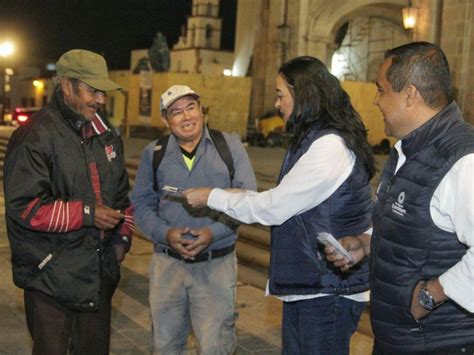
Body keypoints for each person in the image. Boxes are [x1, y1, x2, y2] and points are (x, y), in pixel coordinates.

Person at [185, 56, 376, 354]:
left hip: (326, 290)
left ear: (303, 95)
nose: (276, 103)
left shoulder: (329, 146)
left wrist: (213, 196)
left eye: (280, 94)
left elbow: (274, 206)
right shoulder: (312, 139)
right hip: (311, 285)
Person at [325, 42, 474, 354]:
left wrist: (433, 293)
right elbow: (414, 221)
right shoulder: (409, 149)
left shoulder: (463, 160)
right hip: (400, 338)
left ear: (409, 95)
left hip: (439, 342)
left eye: (381, 90)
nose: (376, 101)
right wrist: (366, 243)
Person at [3, 49, 134, 355]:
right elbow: (24, 207)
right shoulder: (34, 135)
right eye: (92, 90)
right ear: (66, 86)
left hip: (97, 274)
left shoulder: (107, 134)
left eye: (102, 91)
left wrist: (121, 243)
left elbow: (123, 197)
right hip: (49, 278)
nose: (100, 100)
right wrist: (88, 214)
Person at [130, 85, 257, 354]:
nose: (186, 117)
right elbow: (141, 203)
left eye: (191, 107)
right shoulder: (154, 154)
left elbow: (247, 200)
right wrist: (166, 234)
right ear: (166, 120)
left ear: (202, 110)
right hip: (168, 266)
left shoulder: (229, 147)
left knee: (215, 345)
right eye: (176, 112)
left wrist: (213, 232)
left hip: (216, 265)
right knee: (165, 345)